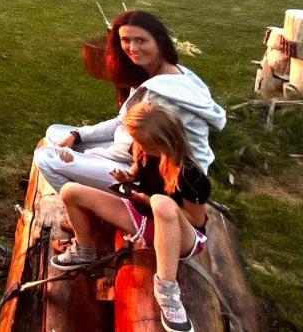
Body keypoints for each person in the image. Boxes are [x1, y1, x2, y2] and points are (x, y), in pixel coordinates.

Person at [52, 103, 209, 332]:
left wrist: (151, 201)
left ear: (163, 142)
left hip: (182, 237)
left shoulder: (190, 174)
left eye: (144, 143)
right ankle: (85, 250)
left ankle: (167, 288)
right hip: (144, 221)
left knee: (161, 203)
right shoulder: (144, 150)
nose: (139, 146)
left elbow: (196, 221)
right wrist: (126, 177)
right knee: (70, 191)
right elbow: (137, 172)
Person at [35, 10, 225, 193]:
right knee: (55, 132)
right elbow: (122, 122)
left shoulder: (162, 95)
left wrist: (87, 154)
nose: (132, 48)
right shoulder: (155, 73)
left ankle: (87, 210)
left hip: (155, 175)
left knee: (46, 158)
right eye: (126, 40)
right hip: (132, 151)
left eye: (141, 40)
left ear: (159, 41)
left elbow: (135, 151)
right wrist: (78, 136)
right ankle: (87, 190)